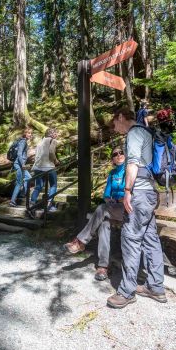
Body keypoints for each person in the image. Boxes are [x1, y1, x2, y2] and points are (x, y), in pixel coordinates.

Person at [107, 108, 166, 309]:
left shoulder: (134, 133)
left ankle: (126, 291)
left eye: (115, 124)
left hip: (139, 193)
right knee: (151, 240)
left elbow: (132, 164)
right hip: (150, 193)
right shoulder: (146, 132)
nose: (116, 129)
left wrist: (127, 191)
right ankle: (156, 287)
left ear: (120, 117)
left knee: (130, 239)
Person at [64, 148, 125, 281]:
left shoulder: (130, 169)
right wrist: (110, 200)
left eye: (121, 152)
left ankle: (80, 242)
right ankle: (103, 266)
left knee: (101, 209)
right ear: (113, 159)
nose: (119, 155)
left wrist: (119, 199)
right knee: (103, 224)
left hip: (126, 210)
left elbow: (130, 193)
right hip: (113, 209)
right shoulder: (112, 173)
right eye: (115, 154)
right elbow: (106, 194)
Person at [30, 128, 59, 213]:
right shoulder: (53, 141)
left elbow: (36, 156)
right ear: (52, 134)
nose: (57, 135)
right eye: (56, 133)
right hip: (48, 167)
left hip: (37, 167)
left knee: (38, 186)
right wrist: (56, 161)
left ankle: (31, 204)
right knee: (53, 185)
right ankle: (49, 205)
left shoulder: (40, 142)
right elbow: (51, 152)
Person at [9, 128, 33, 207]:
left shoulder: (23, 141)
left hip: (20, 164)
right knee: (19, 182)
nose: (30, 135)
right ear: (25, 134)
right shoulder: (23, 141)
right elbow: (19, 154)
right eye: (29, 133)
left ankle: (22, 194)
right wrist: (23, 164)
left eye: (31, 133)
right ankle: (12, 201)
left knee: (28, 178)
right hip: (19, 164)